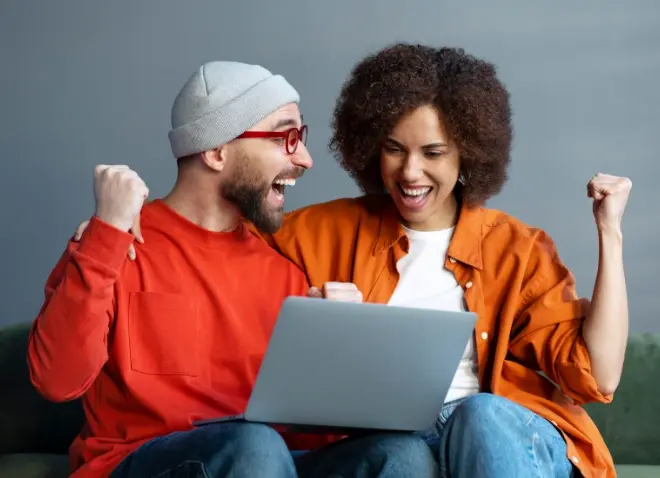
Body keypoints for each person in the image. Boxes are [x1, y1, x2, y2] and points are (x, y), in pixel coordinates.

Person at [72, 44, 632, 478]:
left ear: (469, 157)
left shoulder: (516, 247)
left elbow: (596, 374)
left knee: (477, 416)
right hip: (394, 444)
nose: (411, 172)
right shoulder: (317, 233)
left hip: (496, 437)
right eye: (394, 148)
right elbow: (217, 232)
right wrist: (110, 235)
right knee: (399, 452)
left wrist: (610, 233)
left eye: (434, 153)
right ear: (370, 146)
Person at [27, 60, 439, 478]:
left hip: (262, 458)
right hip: (142, 461)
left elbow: (305, 438)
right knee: (255, 446)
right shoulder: (116, 244)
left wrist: (338, 347)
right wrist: (105, 233)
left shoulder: (284, 276)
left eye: (302, 137)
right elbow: (56, 381)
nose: (307, 159)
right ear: (216, 150)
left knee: (401, 455)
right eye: (286, 137)